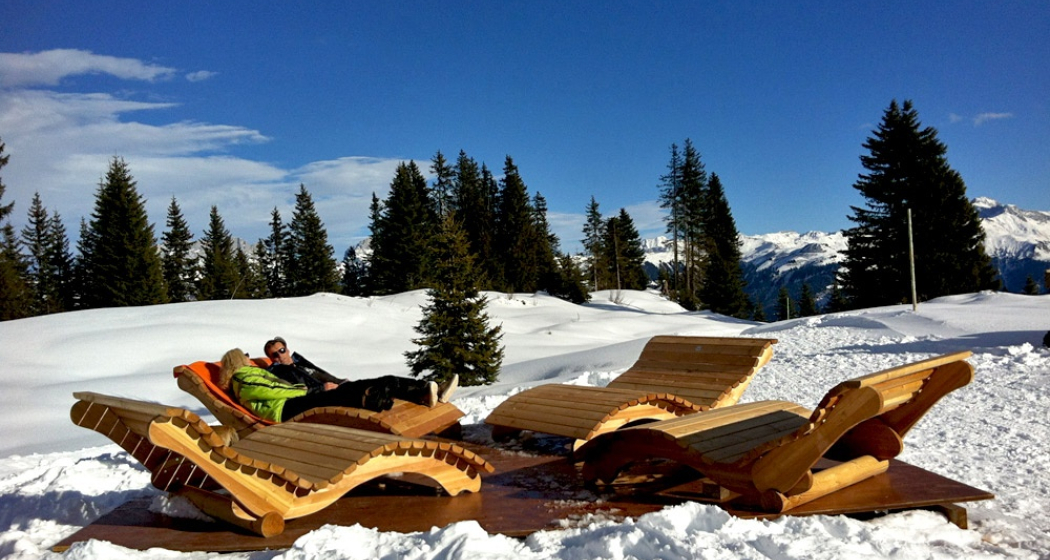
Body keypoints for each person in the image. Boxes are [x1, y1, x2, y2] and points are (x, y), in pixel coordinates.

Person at [217, 349, 457, 423]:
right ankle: (380, 397)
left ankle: (424, 390)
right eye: (245, 355)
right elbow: (272, 392)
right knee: (340, 396)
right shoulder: (244, 378)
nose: (249, 358)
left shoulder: (248, 375)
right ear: (237, 361)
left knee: (358, 387)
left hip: (291, 403)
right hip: (285, 409)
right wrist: (314, 391)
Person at [263, 336, 345, 391]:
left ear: (287, 350)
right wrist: (321, 388)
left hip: (334, 389)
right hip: (319, 399)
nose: (280, 355)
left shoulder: (300, 362)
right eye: (275, 355)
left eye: (282, 350)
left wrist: (341, 382)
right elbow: (294, 391)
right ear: (271, 359)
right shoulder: (279, 373)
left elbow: (322, 375)